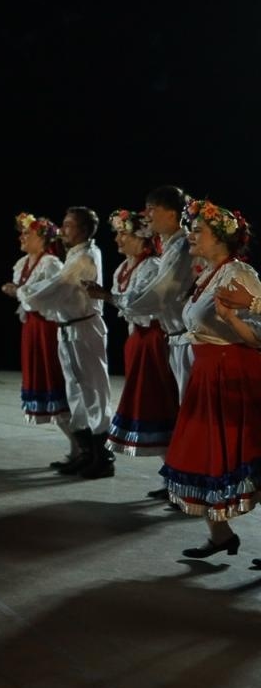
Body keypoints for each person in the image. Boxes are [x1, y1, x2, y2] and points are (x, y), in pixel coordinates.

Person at [159, 200, 260, 559]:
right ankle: (220, 535)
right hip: (206, 374)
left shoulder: (240, 275)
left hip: (235, 375)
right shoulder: (207, 275)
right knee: (201, 454)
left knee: (246, 456)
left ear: (220, 238)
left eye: (198, 230)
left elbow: (258, 335)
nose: (190, 234)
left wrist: (233, 321)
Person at [14, 207, 113, 478]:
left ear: (81, 229)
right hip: (68, 327)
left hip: (84, 327)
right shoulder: (75, 254)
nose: (63, 229)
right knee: (76, 392)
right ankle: (86, 453)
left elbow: (59, 286)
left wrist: (24, 293)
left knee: (93, 391)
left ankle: (102, 457)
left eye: (68, 225)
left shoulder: (85, 256)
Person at [115, 186, 197, 500]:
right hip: (173, 339)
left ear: (173, 213)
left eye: (153, 208)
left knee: (185, 415)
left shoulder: (180, 248)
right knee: (176, 412)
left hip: (183, 340)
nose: (147, 215)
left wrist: (118, 301)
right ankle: (178, 483)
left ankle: (188, 487)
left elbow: (161, 294)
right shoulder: (170, 247)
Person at [85, 210, 178, 458]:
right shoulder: (124, 268)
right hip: (137, 338)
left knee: (158, 402)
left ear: (142, 236)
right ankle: (169, 474)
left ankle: (174, 472)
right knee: (148, 402)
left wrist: (106, 296)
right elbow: (126, 304)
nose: (118, 239)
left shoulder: (151, 266)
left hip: (153, 339)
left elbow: (141, 303)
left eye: (123, 234)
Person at [2, 214, 70, 438]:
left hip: (47, 328)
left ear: (42, 238)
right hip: (31, 326)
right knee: (41, 381)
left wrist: (17, 291)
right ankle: (76, 446)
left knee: (54, 381)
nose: (22, 237)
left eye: (27, 234)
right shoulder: (23, 263)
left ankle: (80, 444)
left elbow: (44, 294)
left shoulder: (50, 263)